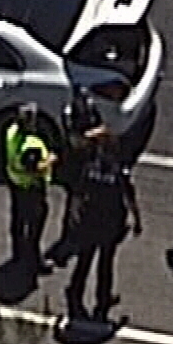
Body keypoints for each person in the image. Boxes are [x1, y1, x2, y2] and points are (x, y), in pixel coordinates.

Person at [66, 126, 142, 322]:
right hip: (110, 223)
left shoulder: (90, 167)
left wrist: (73, 217)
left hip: (89, 220)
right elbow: (129, 198)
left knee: (85, 260)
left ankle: (75, 292)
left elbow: (78, 193)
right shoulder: (119, 171)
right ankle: (102, 298)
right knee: (105, 263)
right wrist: (137, 220)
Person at [47, 92, 103, 268]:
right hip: (75, 171)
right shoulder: (71, 119)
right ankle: (69, 238)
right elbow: (74, 141)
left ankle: (75, 235)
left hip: (86, 167)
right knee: (74, 207)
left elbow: (100, 129)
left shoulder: (90, 113)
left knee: (83, 205)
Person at [3, 103, 56, 272]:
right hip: (31, 187)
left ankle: (18, 253)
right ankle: (34, 259)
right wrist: (51, 159)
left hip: (16, 182)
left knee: (18, 220)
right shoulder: (30, 145)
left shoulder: (11, 132)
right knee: (35, 225)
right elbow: (34, 169)